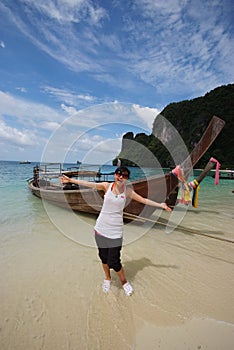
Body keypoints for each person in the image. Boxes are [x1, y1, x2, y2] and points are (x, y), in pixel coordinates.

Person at [61, 166, 171, 296]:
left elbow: (143, 200)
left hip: (115, 232)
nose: (121, 177)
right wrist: (71, 181)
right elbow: (88, 184)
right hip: (100, 229)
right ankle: (108, 278)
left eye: (124, 176)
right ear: (115, 175)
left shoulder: (127, 191)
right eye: (119, 174)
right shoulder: (106, 186)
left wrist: (161, 205)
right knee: (103, 257)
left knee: (114, 261)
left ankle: (124, 282)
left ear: (127, 179)